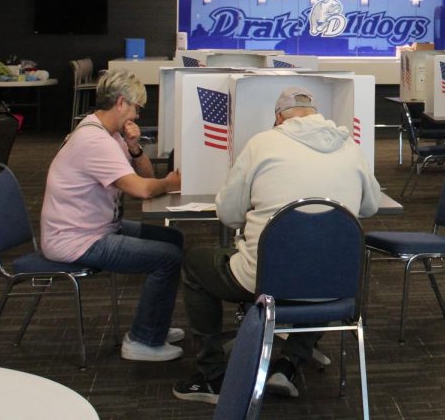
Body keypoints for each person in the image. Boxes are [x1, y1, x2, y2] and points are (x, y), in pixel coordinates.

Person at [175, 87, 381, 404]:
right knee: (322, 261)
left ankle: (212, 375)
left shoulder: (263, 143)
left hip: (264, 281)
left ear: (278, 119)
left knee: (194, 264)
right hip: (335, 283)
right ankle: (288, 363)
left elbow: (228, 214)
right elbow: (370, 207)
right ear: (316, 114)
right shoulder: (350, 147)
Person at [40, 69, 185, 362]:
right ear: (120, 103)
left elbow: (145, 174)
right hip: (77, 240)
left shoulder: (106, 132)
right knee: (167, 257)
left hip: (97, 228)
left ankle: (153, 324)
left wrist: (133, 147)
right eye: (135, 107)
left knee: (173, 239)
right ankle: (143, 340)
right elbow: (142, 190)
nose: (137, 115)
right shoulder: (95, 142)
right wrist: (170, 183)